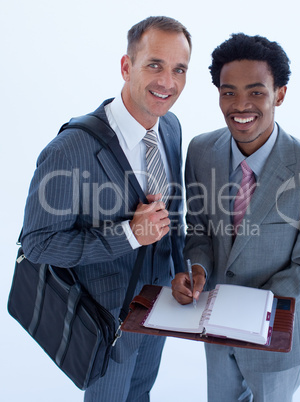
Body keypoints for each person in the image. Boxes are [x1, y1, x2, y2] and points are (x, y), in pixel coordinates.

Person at [21, 16, 191, 402]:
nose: (168, 82)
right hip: (104, 318)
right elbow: (37, 244)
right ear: (126, 66)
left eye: (179, 69)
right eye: (154, 65)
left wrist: (179, 269)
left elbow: (173, 209)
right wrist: (129, 234)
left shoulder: (171, 127)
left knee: (141, 394)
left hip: (158, 305)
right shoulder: (72, 149)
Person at [172, 33, 300, 402]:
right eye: (228, 92)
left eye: (256, 92)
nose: (240, 105)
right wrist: (197, 269)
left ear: (280, 94)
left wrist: (249, 309)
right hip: (214, 335)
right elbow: (198, 229)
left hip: (275, 340)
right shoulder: (201, 151)